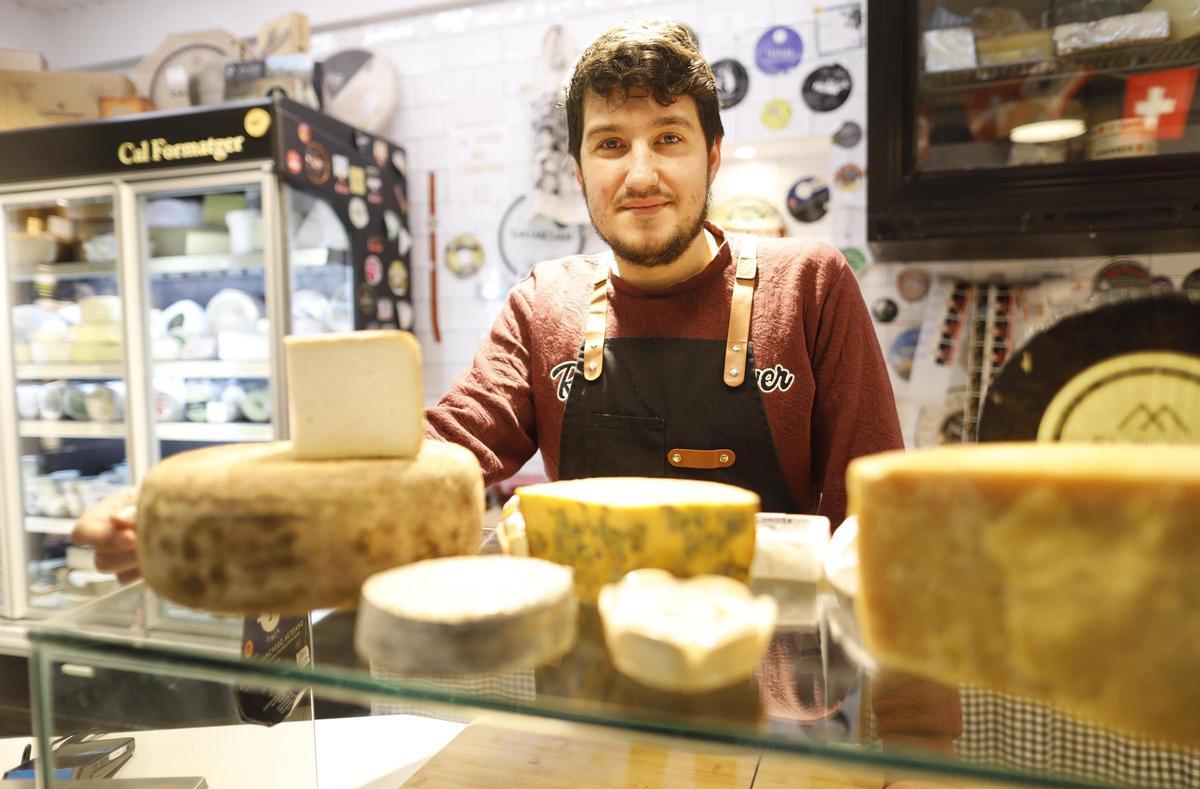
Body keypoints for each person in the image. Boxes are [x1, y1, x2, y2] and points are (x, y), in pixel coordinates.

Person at [75, 18, 901, 582]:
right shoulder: (546, 303)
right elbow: (431, 456)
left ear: (712, 156)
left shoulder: (811, 285)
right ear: (579, 168)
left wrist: (913, 749)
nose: (640, 174)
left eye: (670, 139)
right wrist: (206, 522)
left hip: (781, 690)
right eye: (610, 144)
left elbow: (880, 526)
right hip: (584, 680)